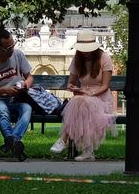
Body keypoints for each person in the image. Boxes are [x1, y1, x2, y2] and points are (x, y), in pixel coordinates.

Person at [50, 29, 116, 161]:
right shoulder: (77, 59)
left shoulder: (104, 58)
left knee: (80, 103)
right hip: (82, 97)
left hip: (100, 98)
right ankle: (87, 151)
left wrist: (89, 93)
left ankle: (64, 140)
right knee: (79, 102)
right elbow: (71, 83)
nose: (85, 53)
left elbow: (105, 86)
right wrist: (74, 88)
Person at [0, 29, 33, 161]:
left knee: (27, 109)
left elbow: (30, 77)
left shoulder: (18, 55)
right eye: (8, 47)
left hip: (17, 97)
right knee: (2, 110)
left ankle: (12, 140)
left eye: (13, 45)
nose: (12, 49)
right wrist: (5, 91)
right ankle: (13, 142)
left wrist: (25, 85)